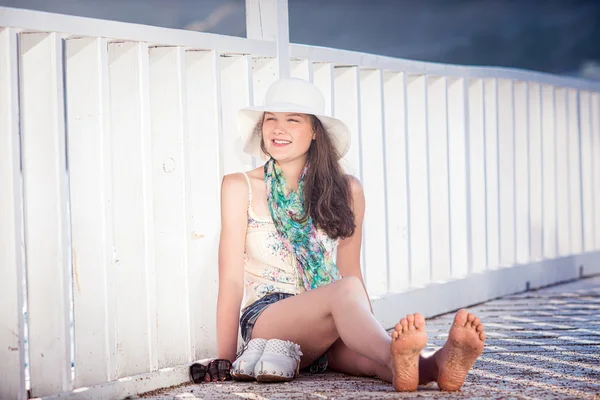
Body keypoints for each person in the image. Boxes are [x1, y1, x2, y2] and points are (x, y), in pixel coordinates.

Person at [215, 77, 485, 391]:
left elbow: (350, 269)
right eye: (271, 119)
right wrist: (223, 358)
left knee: (371, 361)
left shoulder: (347, 190)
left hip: (329, 314)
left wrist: (363, 330)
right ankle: (396, 354)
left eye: (292, 119)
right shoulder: (240, 186)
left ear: (315, 131)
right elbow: (232, 279)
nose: (278, 128)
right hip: (268, 320)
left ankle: (437, 364)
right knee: (347, 292)